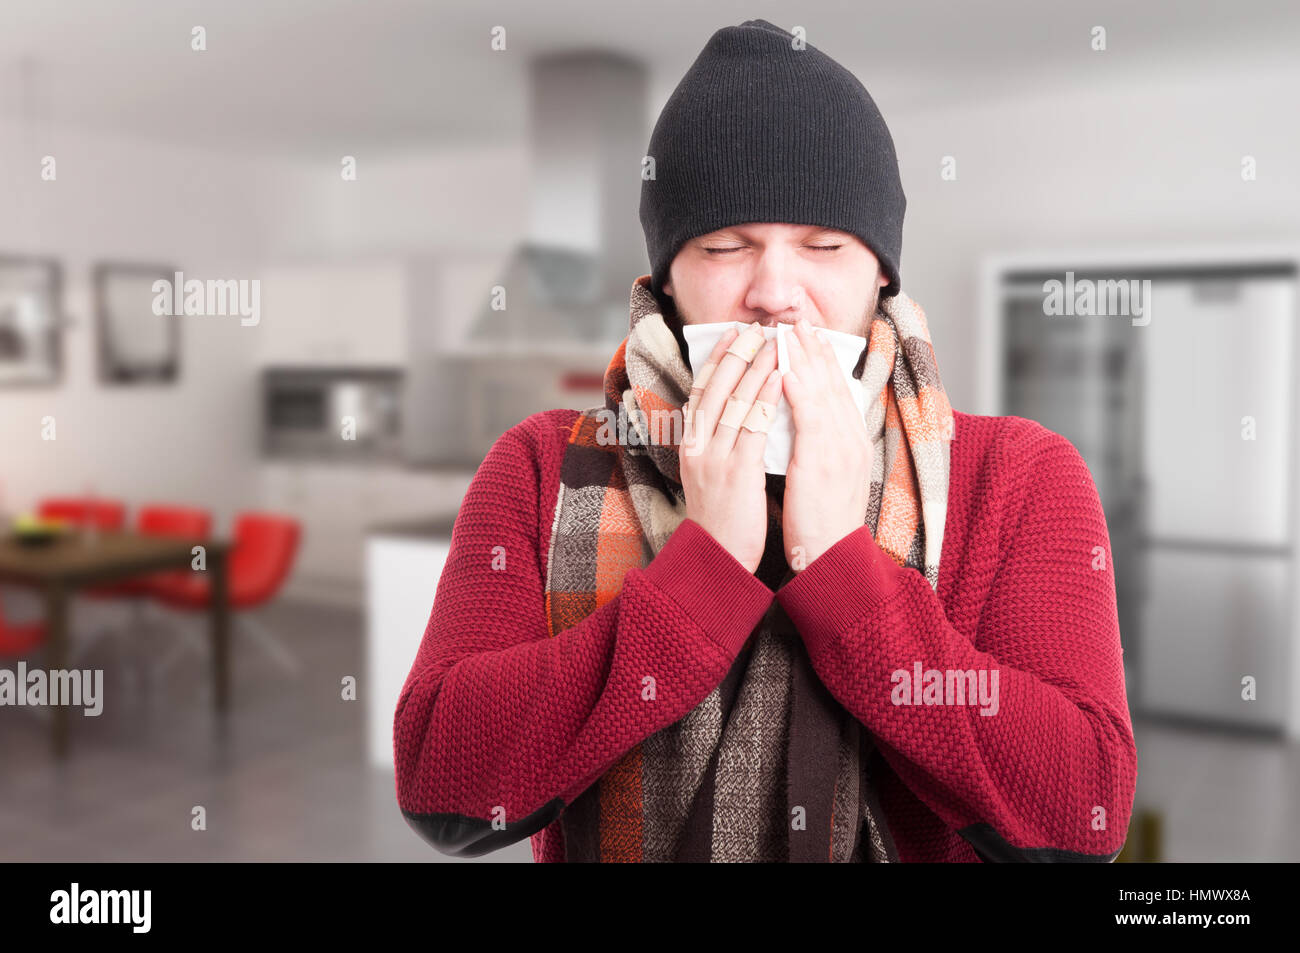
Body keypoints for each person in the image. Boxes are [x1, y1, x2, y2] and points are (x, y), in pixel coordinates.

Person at [393, 18, 1137, 862]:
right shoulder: (540, 466)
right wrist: (703, 569)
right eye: (724, 245)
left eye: (823, 245)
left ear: (882, 273)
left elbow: (1086, 811)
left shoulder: (1020, 476)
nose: (776, 292)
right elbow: (443, 783)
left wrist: (841, 568)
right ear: (667, 281)